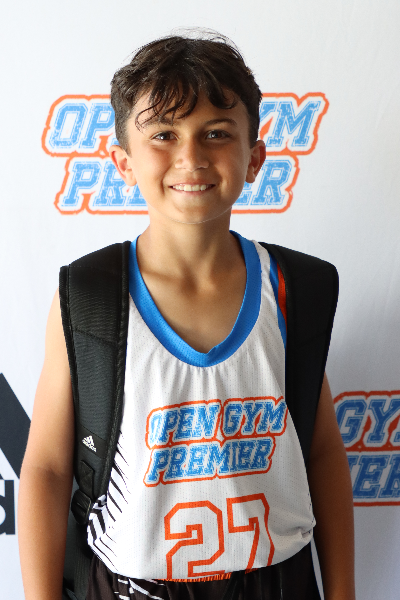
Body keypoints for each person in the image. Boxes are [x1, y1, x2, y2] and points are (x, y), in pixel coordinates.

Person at [18, 32, 355, 600]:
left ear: (254, 158)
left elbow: (319, 450)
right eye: (164, 135)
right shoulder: (90, 295)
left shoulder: (293, 288)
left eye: (216, 133)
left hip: (278, 581)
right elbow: (48, 470)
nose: (192, 157)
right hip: (129, 586)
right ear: (123, 162)